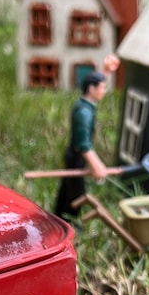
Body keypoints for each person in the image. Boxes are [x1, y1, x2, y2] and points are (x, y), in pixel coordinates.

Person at [54, 54, 120, 220]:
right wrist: (97, 166)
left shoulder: (87, 103)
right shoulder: (84, 113)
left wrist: (105, 71)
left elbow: (97, 81)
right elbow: (84, 145)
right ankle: (71, 221)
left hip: (73, 155)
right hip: (77, 157)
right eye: (102, 88)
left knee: (66, 189)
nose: (104, 91)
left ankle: (57, 217)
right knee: (77, 193)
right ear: (92, 89)